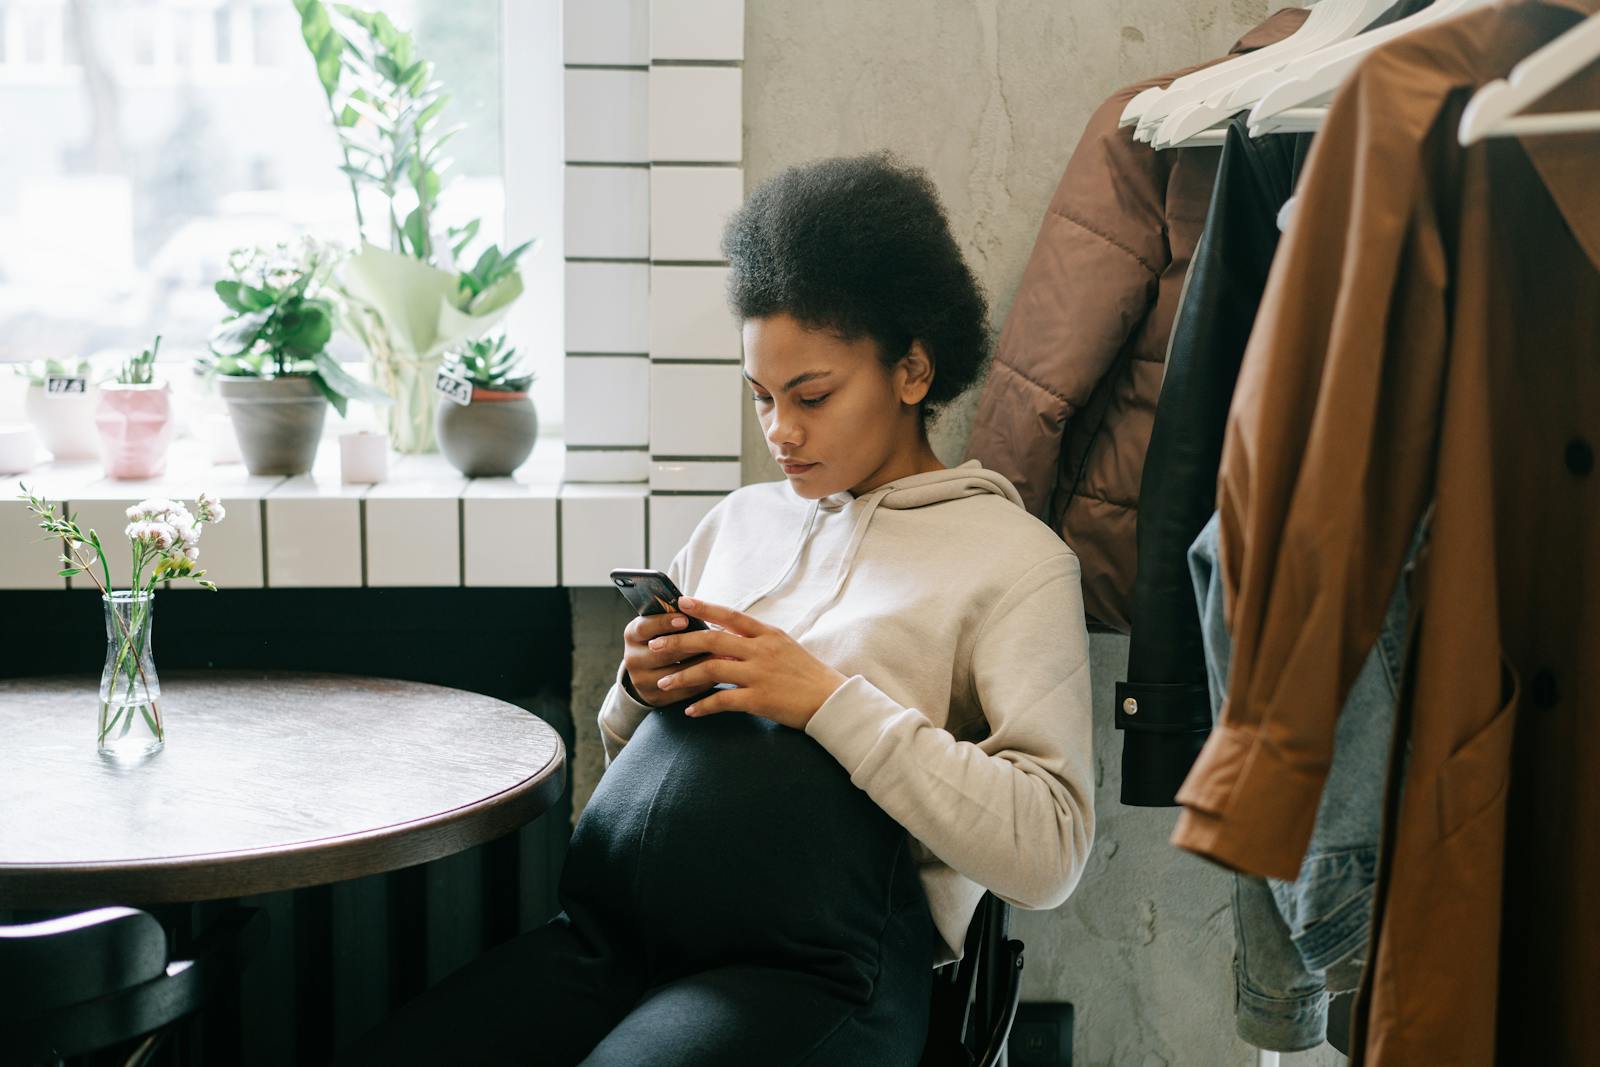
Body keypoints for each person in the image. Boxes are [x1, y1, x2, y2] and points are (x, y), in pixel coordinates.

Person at [339, 152, 1095, 1066]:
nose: (780, 430)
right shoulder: (738, 522)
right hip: (613, 944)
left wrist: (823, 697)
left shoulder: (1012, 562)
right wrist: (639, 686)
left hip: (811, 974)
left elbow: (1052, 851)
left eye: (811, 395)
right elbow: (632, 766)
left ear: (913, 369)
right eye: (763, 397)